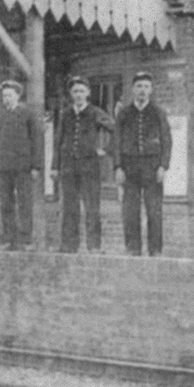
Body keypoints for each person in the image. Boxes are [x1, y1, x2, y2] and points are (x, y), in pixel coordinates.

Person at [51, 75, 114, 254]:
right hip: (69, 167)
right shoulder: (65, 114)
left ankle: (94, 246)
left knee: (92, 207)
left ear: (88, 93)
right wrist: (55, 166)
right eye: (75, 91)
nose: (78, 94)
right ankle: (69, 245)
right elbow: (58, 141)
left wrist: (105, 150)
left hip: (89, 167)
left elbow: (115, 129)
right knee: (70, 207)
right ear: (71, 94)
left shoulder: (95, 112)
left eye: (81, 91)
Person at [113, 71, 172, 257]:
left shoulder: (158, 113)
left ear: (151, 90)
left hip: (152, 168)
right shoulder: (124, 114)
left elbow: (166, 141)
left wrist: (163, 166)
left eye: (146, 87)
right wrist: (118, 167)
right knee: (130, 212)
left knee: (154, 211)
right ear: (132, 90)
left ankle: (155, 250)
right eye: (139, 86)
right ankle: (133, 249)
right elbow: (116, 141)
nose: (142, 91)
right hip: (129, 168)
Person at [0, 80, 44, 250]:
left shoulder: (28, 114)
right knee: (5, 203)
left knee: (24, 203)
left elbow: (36, 140)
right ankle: (8, 238)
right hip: (3, 166)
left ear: (18, 95)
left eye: (9, 95)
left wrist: (36, 166)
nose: (6, 98)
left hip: (23, 166)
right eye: (4, 95)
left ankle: (25, 239)